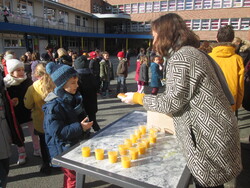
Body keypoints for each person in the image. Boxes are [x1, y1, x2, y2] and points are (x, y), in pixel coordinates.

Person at [120, 13, 241, 188]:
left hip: (206, 137)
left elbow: (172, 102)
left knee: (207, 183)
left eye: (154, 36)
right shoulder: (192, 53)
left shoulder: (182, 57)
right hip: (214, 132)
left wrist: (138, 97)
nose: (153, 42)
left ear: (165, 35)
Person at [43, 62, 93, 188]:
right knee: (74, 177)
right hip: (63, 149)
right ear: (62, 85)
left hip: (71, 145)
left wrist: (84, 127)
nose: (77, 86)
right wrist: (80, 127)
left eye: (77, 82)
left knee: (71, 176)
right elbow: (58, 132)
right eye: (73, 83)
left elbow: (77, 117)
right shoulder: (54, 106)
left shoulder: (72, 98)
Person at [3, 59, 40, 165]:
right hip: (15, 113)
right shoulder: (6, 84)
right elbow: (5, 98)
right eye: (18, 70)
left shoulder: (27, 81)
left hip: (28, 110)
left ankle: (37, 148)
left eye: (22, 70)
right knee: (17, 132)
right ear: (11, 72)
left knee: (34, 131)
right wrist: (11, 101)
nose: (21, 72)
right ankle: (21, 151)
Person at [24, 63, 55, 175]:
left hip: (41, 121)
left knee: (43, 143)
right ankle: (56, 162)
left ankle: (46, 164)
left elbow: (27, 105)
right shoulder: (55, 83)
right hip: (55, 119)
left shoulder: (33, 88)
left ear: (37, 74)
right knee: (55, 141)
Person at [209, 25, 244, 113]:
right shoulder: (237, 59)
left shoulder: (208, 57)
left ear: (217, 39)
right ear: (232, 40)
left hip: (210, 102)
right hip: (230, 102)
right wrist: (237, 104)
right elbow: (240, 85)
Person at [74, 55, 100, 132]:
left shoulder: (77, 78)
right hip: (92, 103)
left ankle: (86, 134)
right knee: (93, 120)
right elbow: (97, 86)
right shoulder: (91, 75)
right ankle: (98, 131)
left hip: (82, 106)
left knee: (84, 122)